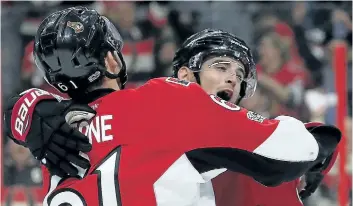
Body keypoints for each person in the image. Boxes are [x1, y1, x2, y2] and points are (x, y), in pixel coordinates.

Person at [3, 6, 341, 206]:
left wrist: (25, 106)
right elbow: (288, 153)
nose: (231, 80)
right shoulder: (164, 101)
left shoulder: (54, 137)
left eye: (239, 74)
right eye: (220, 67)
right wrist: (317, 141)